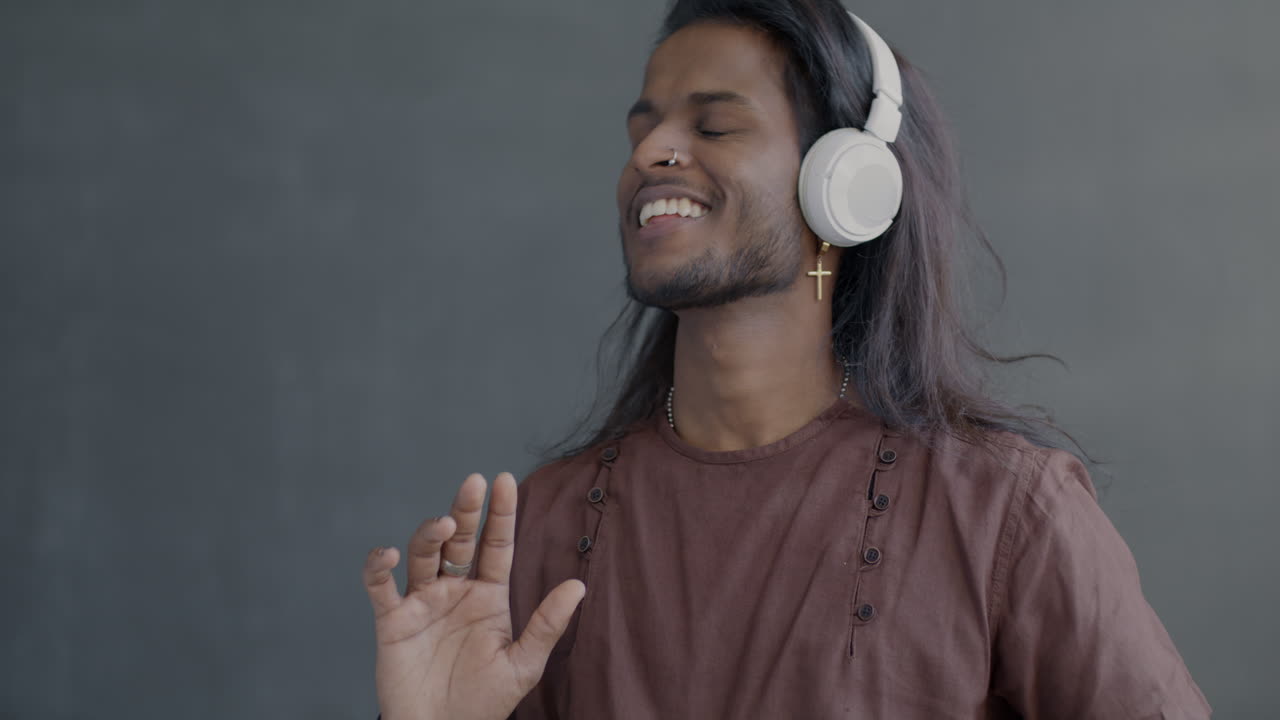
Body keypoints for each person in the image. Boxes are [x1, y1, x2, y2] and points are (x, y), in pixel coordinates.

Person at [361, 1, 1212, 717]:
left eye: (715, 124)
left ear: (844, 184)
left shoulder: (1005, 514)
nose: (649, 154)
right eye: (643, 129)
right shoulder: (536, 530)